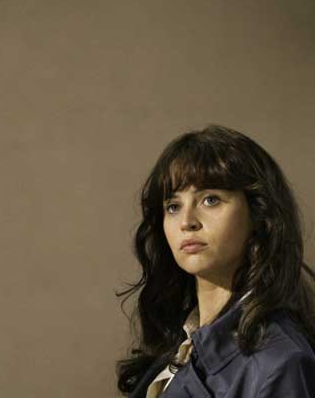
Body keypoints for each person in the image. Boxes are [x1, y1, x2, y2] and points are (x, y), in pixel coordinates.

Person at [117, 126, 315, 397]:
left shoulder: (280, 363)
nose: (187, 221)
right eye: (173, 206)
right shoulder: (180, 343)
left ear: (259, 214)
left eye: (210, 200)